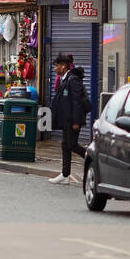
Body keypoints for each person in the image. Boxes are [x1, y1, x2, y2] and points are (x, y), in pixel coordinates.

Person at [48, 53, 91, 184]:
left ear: (63, 66)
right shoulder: (65, 79)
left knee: (72, 145)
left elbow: (77, 102)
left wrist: (76, 121)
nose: (55, 69)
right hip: (67, 119)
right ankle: (65, 175)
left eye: (56, 66)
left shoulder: (73, 80)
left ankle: (93, 160)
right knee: (65, 145)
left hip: (73, 120)